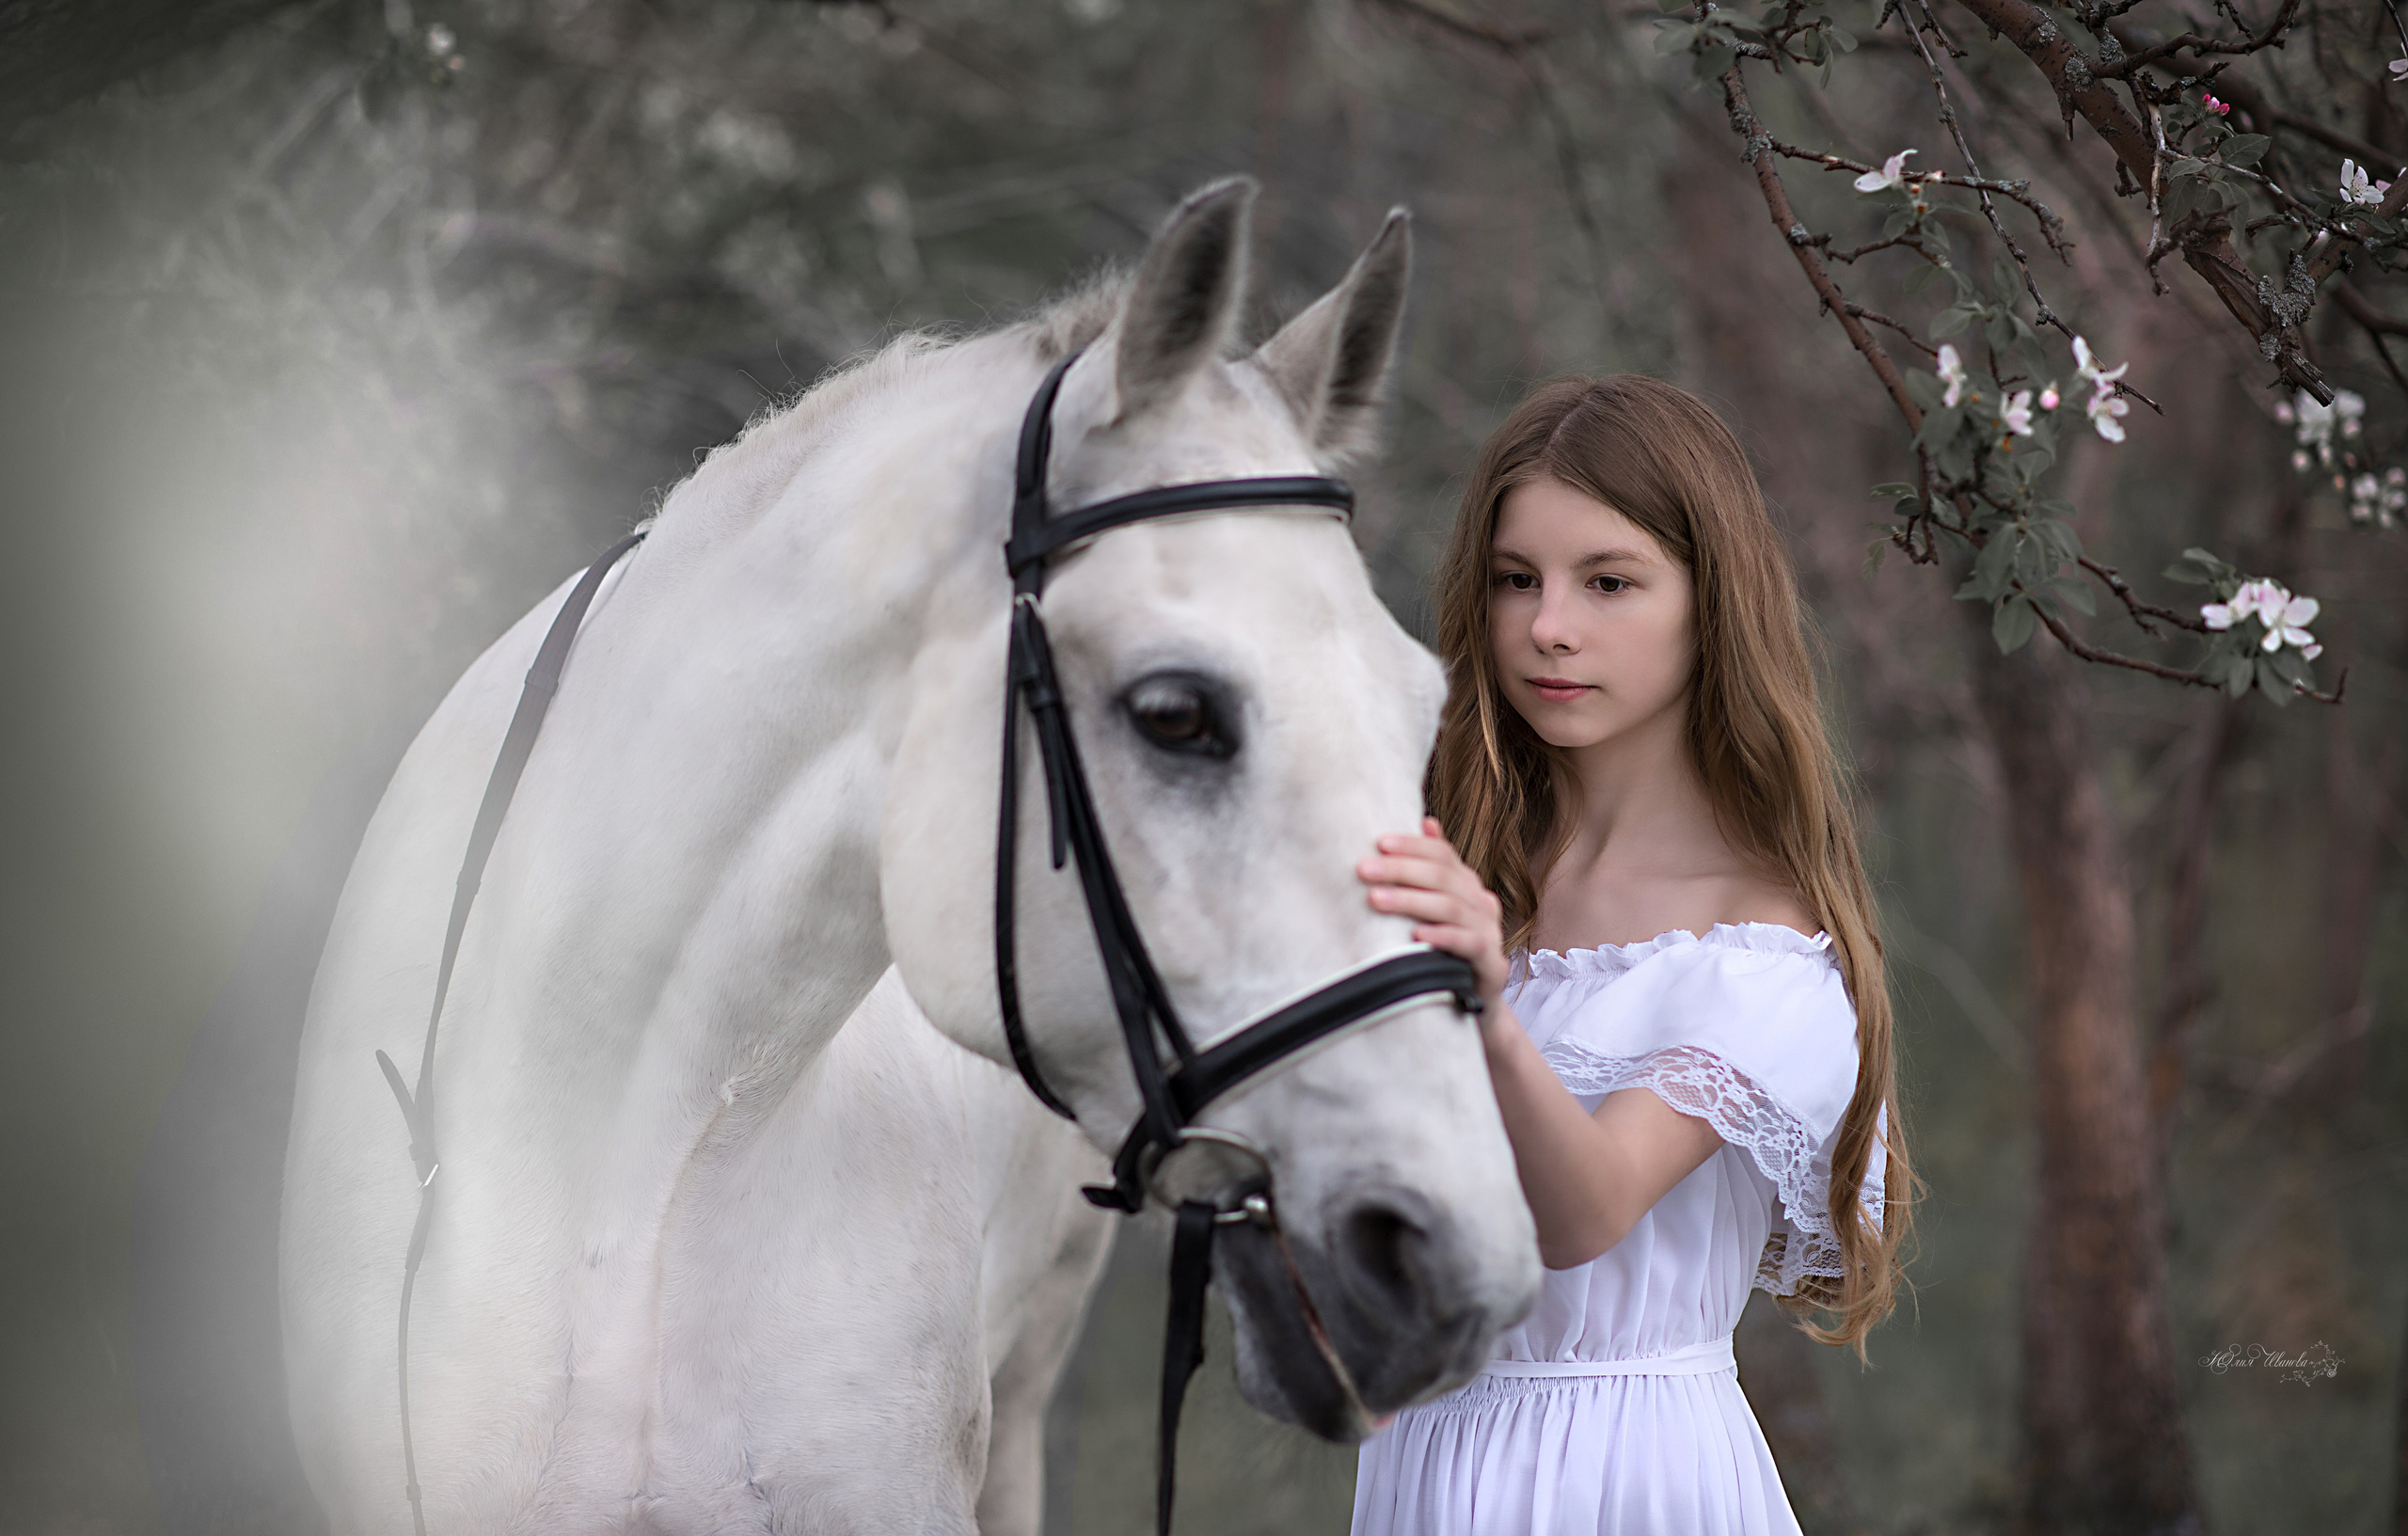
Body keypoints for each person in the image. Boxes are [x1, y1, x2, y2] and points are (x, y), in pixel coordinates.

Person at [1349, 374, 1915, 1535]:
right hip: (1423, 1466)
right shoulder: (1456, 868)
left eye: (1608, 581)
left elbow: (1585, 1213)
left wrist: (1481, 1006)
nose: (1549, 624)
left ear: (1712, 602)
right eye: (1517, 580)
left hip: (1622, 1471)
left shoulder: (1765, 951)